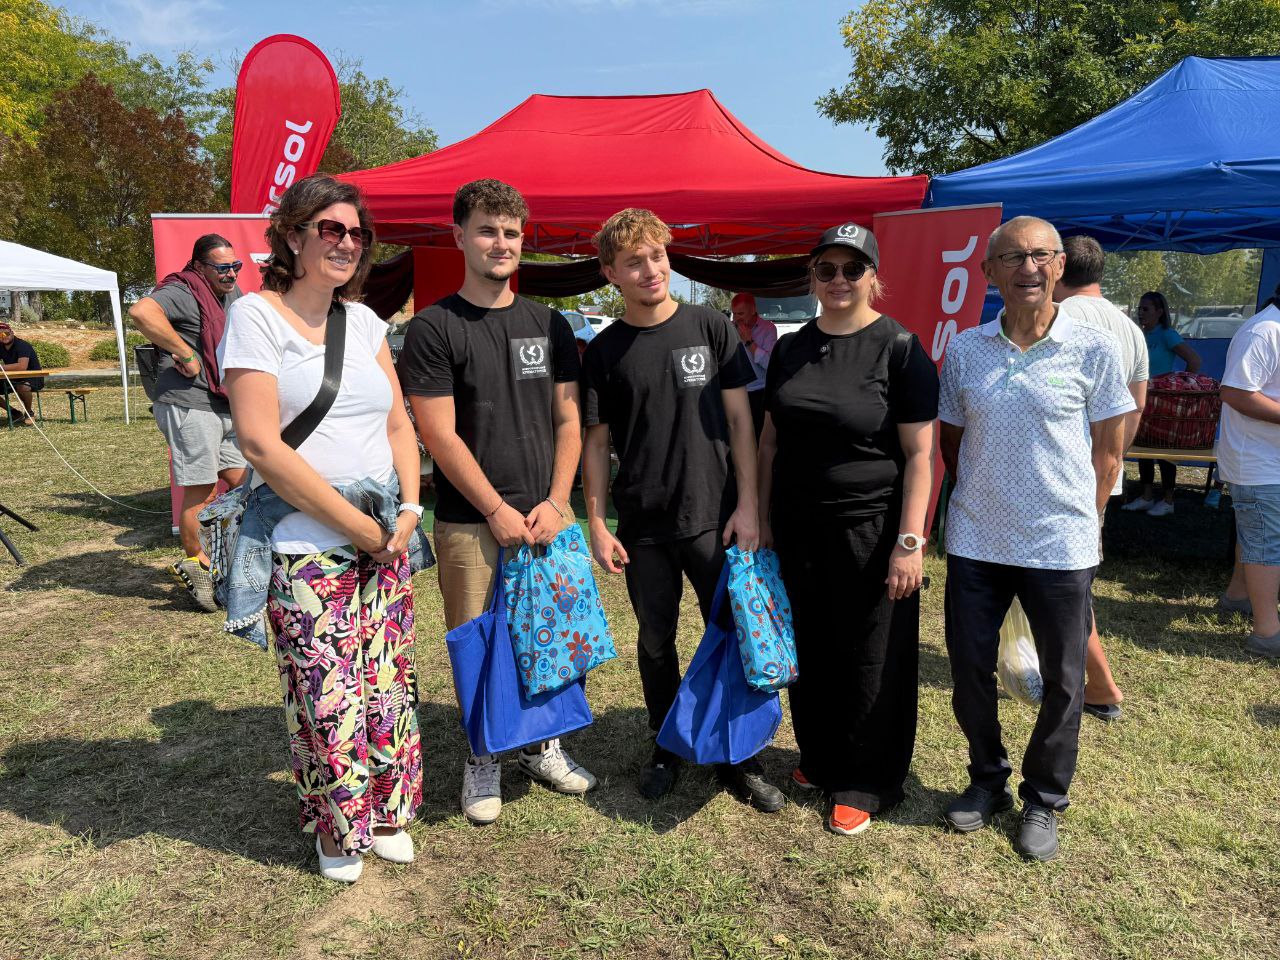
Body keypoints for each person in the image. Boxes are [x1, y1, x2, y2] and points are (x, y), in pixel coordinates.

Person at [219, 174, 425, 883]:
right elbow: (260, 444)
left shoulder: (366, 323)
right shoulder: (256, 316)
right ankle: (340, 830)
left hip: (384, 535)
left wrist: (404, 512)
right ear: (293, 235)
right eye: (329, 229)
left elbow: (399, 421)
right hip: (305, 546)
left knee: (387, 684)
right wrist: (359, 529)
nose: (344, 242)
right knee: (326, 693)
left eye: (355, 233)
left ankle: (388, 806)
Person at [397, 179, 597, 827]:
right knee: (478, 643)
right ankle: (483, 755)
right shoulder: (434, 327)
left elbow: (570, 421)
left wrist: (558, 500)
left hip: (546, 518)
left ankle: (543, 747)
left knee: (553, 640)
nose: (501, 243)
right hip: (470, 521)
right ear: (459, 236)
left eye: (511, 232)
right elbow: (437, 432)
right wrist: (494, 509)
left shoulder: (549, 323)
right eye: (488, 230)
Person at [938, 216, 1134, 862]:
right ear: (990, 271)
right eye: (1013, 257)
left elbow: (1109, 455)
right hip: (976, 539)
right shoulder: (966, 351)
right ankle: (986, 778)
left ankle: (1044, 799)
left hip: (1060, 545)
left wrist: (1086, 521)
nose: (1028, 268)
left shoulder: (1094, 351)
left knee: (1064, 680)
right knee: (968, 669)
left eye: (1041, 256)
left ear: (1059, 267)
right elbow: (952, 444)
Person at [581, 208, 784, 811]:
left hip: (716, 516)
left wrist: (749, 506)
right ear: (610, 273)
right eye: (634, 261)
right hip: (643, 524)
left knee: (731, 633)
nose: (650, 270)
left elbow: (744, 421)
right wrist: (595, 521)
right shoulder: (604, 351)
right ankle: (665, 744)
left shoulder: (710, 328)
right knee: (655, 640)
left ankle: (737, 755)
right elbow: (595, 442)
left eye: (658, 256)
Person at [757, 222, 937, 836]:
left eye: (851, 270)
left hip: (871, 528)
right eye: (826, 270)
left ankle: (866, 776)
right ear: (813, 277)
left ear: (872, 278)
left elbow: (920, 455)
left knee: (870, 653)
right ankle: (819, 755)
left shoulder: (901, 349)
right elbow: (768, 440)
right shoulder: (790, 348)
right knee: (810, 644)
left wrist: (910, 541)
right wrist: (758, 512)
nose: (838, 281)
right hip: (797, 526)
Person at [1054, 235, 1150, 722]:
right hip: (1101, 471)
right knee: (1075, 579)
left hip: (1058, 477)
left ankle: (1100, 682)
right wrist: (1110, 466)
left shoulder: (1058, 320)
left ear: (1059, 265)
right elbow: (1134, 408)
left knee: (1066, 585)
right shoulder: (1130, 327)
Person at [130, 234, 248, 610]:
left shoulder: (232, 293)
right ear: (200, 266)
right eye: (222, 267)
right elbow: (141, 313)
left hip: (223, 401)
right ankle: (199, 569)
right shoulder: (182, 290)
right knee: (201, 488)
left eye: (235, 266)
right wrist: (183, 351)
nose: (230, 274)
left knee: (246, 482)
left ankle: (233, 563)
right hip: (188, 402)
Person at [1217, 284, 1280, 659]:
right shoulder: (1264, 331)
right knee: (1266, 543)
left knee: (1258, 534)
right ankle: (1267, 633)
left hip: (1266, 458)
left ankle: (1238, 597)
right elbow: (1237, 393)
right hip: (1256, 462)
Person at [1122, 290, 1201, 517]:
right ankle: (1147, 497)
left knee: (1164, 452)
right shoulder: (1139, 335)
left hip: (1163, 403)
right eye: (1139, 308)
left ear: (1159, 312)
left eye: (1146, 309)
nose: (1141, 313)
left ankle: (1168, 500)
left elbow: (1194, 360)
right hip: (1141, 399)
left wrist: (1181, 386)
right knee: (1144, 447)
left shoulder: (1168, 334)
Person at [730, 293, 778, 436]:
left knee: (759, 434)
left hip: (759, 392)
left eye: (741, 313)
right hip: (737, 391)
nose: (737, 318)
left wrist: (749, 342)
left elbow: (770, 364)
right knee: (738, 434)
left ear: (753, 311)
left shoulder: (768, 329)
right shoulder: (730, 328)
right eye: (734, 314)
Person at [0, 321, 42, 427]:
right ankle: (14, 413)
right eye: (0, 335)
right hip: (13, 378)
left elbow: (21, 366)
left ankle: (29, 413)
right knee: (19, 384)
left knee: (22, 386)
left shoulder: (22, 345)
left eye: (6, 333)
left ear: (12, 332)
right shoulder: (1, 347)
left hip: (33, 376)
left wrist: (1, 368)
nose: (3, 336)